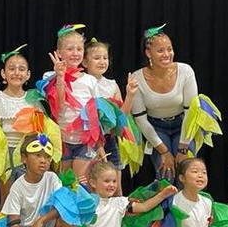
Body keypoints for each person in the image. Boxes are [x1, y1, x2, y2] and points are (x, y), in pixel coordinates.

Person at [0, 133, 74, 227]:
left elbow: (63, 205)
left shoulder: (52, 178)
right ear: (24, 158)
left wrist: (42, 220)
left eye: (47, 157)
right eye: (38, 155)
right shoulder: (18, 187)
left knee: (70, 215)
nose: (43, 161)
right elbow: (13, 222)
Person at [130, 24, 198, 180]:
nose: (167, 54)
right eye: (160, 50)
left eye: (169, 49)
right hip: (156, 128)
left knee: (187, 172)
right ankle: (166, 205)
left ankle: (187, 205)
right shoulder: (137, 78)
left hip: (183, 125)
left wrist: (182, 149)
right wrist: (164, 152)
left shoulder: (185, 71)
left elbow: (192, 112)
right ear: (148, 53)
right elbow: (140, 120)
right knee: (166, 174)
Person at [83, 37, 139, 195]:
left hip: (109, 139)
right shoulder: (83, 83)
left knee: (115, 187)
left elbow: (121, 117)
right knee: (92, 187)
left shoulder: (112, 85)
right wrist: (98, 146)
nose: (102, 61)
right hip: (90, 142)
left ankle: (119, 218)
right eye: (96, 58)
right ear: (85, 63)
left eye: (105, 58)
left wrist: (130, 95)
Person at [45, 24, 98, 180]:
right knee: (64, 183)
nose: (75, 53)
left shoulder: (90, 80)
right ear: (59, 53)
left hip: (85, 142)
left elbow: (95, 115)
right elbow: (58, 107)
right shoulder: (50, 76)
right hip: (62, 139)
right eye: (70, 49)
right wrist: (60, 77)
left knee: (80, 184)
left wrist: (98, 145)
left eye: (79, 49)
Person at [0, 44, 33, 203]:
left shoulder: (33, 99)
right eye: (11, 68)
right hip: (4, 152)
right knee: (6, 196)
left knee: (26, 195)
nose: (16, 72)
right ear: (3, 73)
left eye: (21, 69)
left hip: (27, 153)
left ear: (28, 75)